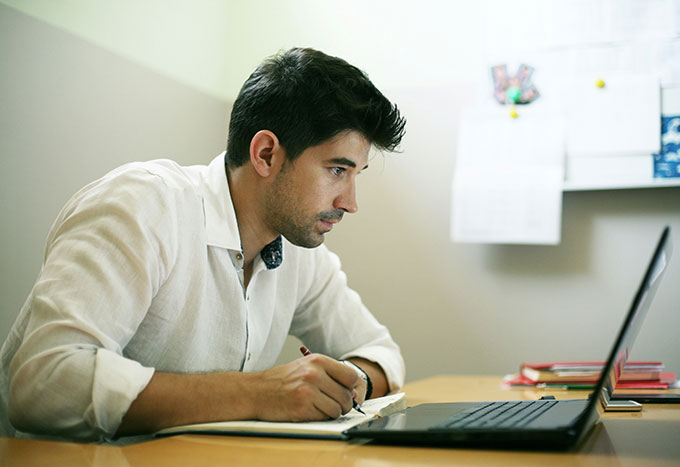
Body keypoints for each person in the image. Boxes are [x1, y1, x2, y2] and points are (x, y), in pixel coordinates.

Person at [0, 48, 406, 441]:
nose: (350, 203)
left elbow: (380, 352)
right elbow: (44, 383)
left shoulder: (300, 251)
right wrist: (263, 393)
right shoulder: (142, 206)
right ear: (266, 154)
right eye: (337, 170)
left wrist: (345, 387)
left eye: (357, 175)